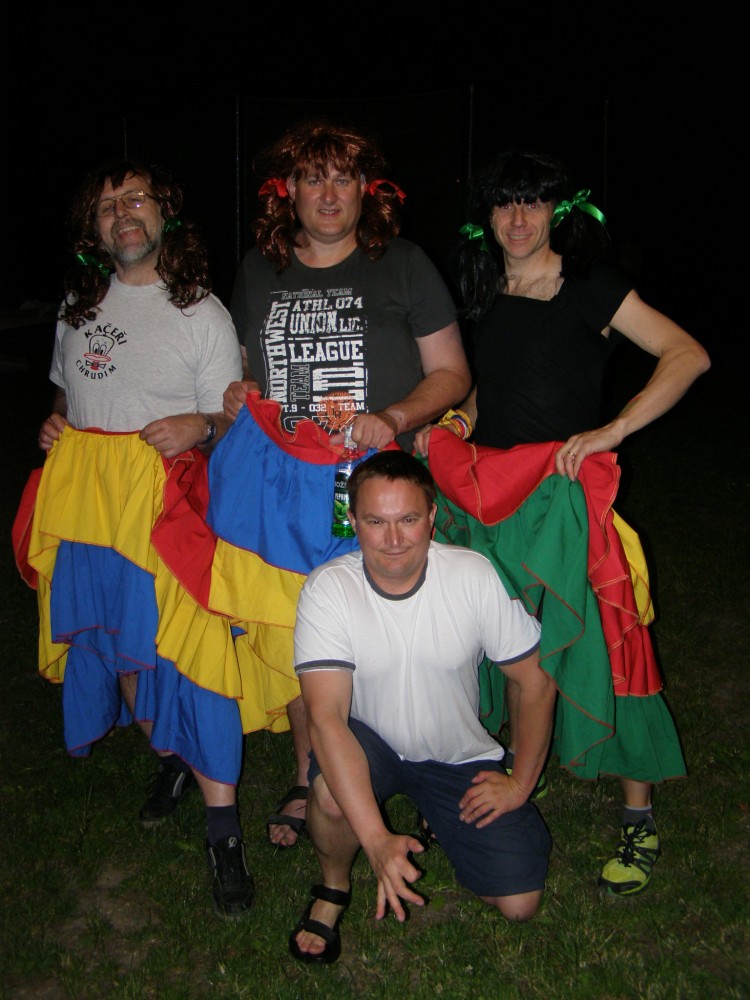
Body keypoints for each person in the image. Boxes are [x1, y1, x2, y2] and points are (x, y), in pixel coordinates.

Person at [416, 150, 710, 896]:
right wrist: (457, 422)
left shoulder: (590, 287)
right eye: (504, 203)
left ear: (557, 211)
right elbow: (490, 390)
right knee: (499, 645)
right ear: (487, 217)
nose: (518, 218)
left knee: (601, 645)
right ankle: (514, 766)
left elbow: (687, 355)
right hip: (490, 497)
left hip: (562, 502)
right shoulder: (483, 291)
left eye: (534, 202)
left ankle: (637, 817)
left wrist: (615, 429)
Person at [222, 121, 471, 848]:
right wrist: (236, 394)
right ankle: (310, 773)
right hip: (287, 484)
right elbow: (244, 372)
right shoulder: (258, 271)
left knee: (393, 627)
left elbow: (453, 374)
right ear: (288, 191)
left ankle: (416, 766)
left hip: (380, 484)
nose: (328, 194)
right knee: (302, 623)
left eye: (343, 178)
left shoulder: (404, 264)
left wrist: (393, 416)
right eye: (312, 178)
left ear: (366, 190)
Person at [17, 159, 254, 919]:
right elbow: (69, 391)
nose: (123, 212)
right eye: (107, 205)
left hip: (166, 505)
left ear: (164, 214)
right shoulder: (76, 307)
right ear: (93, 230)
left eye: (136, 199)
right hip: (91, 506)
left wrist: (200, 426)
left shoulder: (202, 313)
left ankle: (223, 829)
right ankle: (170, 757)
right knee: (122, 650)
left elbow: (233, 424)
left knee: (191, 657)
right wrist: (56, 422)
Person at [289, 451, 556, 964]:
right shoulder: (328, 589)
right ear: (353, 520)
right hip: (369, 745)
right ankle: (333, 887)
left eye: (408, 519)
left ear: (432, 517)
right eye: (376, 521)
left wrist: (520, 783)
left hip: (455, 755)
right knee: (329, 796)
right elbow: (325, 720)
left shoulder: (472, 574)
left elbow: (535, 680)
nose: (393, 539)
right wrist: (376, 840)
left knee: (520, 903)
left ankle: (439, 816)